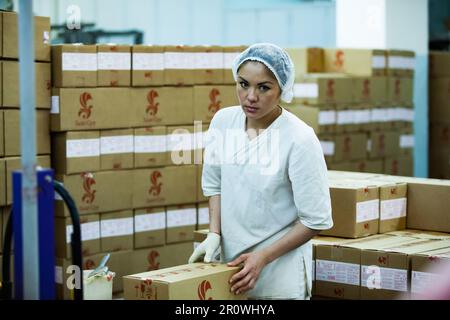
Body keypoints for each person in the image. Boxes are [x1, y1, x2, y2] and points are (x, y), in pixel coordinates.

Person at [188, 43, 333, 300]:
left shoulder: (299, 138)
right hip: (230, 273)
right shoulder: (223, 122)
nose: (250, 96)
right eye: (243, 84)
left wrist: (263, 257)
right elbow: (214, 185)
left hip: (279, 279)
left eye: (263, 87)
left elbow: (315, 220)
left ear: (282, 90)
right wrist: (214, 233)